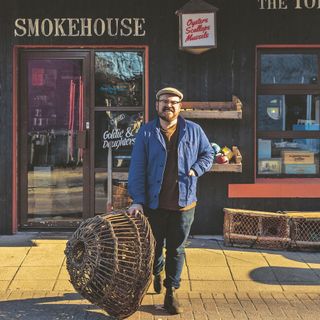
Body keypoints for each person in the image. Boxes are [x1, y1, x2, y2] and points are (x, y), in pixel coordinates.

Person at [127, 87, 214, 315]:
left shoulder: (194, 131)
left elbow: (209, 154)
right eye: (164, 101)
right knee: (154, 248)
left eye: (174, 102)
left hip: (184, 204)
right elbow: (136, 168)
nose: (169, 105)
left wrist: (197, 169)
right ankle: (157, 271)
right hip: (154, 206)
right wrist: (137, 200)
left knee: (176, 249)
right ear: (157, 105)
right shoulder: (146, 133)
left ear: (180, 106)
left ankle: (170, 291)